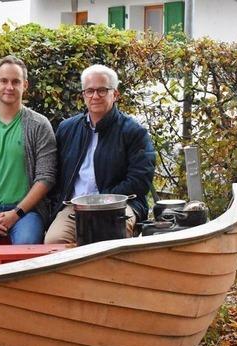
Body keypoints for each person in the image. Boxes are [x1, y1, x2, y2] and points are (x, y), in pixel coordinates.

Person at [45, 64, 156, 244]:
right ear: (83, 95)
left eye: (102, 90)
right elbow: (55, 174)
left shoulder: (134, 132)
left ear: (115, 94)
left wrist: (101, 200)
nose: (95, 96)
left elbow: (140, 180)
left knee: (111, 240)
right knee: (54, 242)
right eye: (89, 91)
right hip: (76, 207)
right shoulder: (67, 129)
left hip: (119, 207)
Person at [0, 55, 56, 246]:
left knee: (25, 247)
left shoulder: (39, 125)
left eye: (16, 81)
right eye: (4, 81)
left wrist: (15, 214)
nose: (9, 87)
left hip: (26, 213)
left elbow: (45, 178)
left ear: (25, 85)